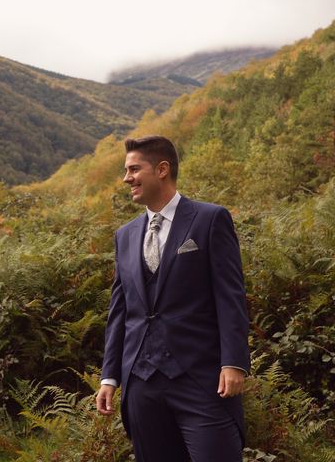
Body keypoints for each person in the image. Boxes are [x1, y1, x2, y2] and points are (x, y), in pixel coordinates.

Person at [95, 136, 250, 461]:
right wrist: (110, 376)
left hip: (203, 379)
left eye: (134, 169)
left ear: (162, 169)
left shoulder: (210, 219)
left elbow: (230, 296)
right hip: (142, 384)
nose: (127, 178)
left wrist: (233, 361)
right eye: (126, 170)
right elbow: (120, 312)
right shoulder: (124, 235)